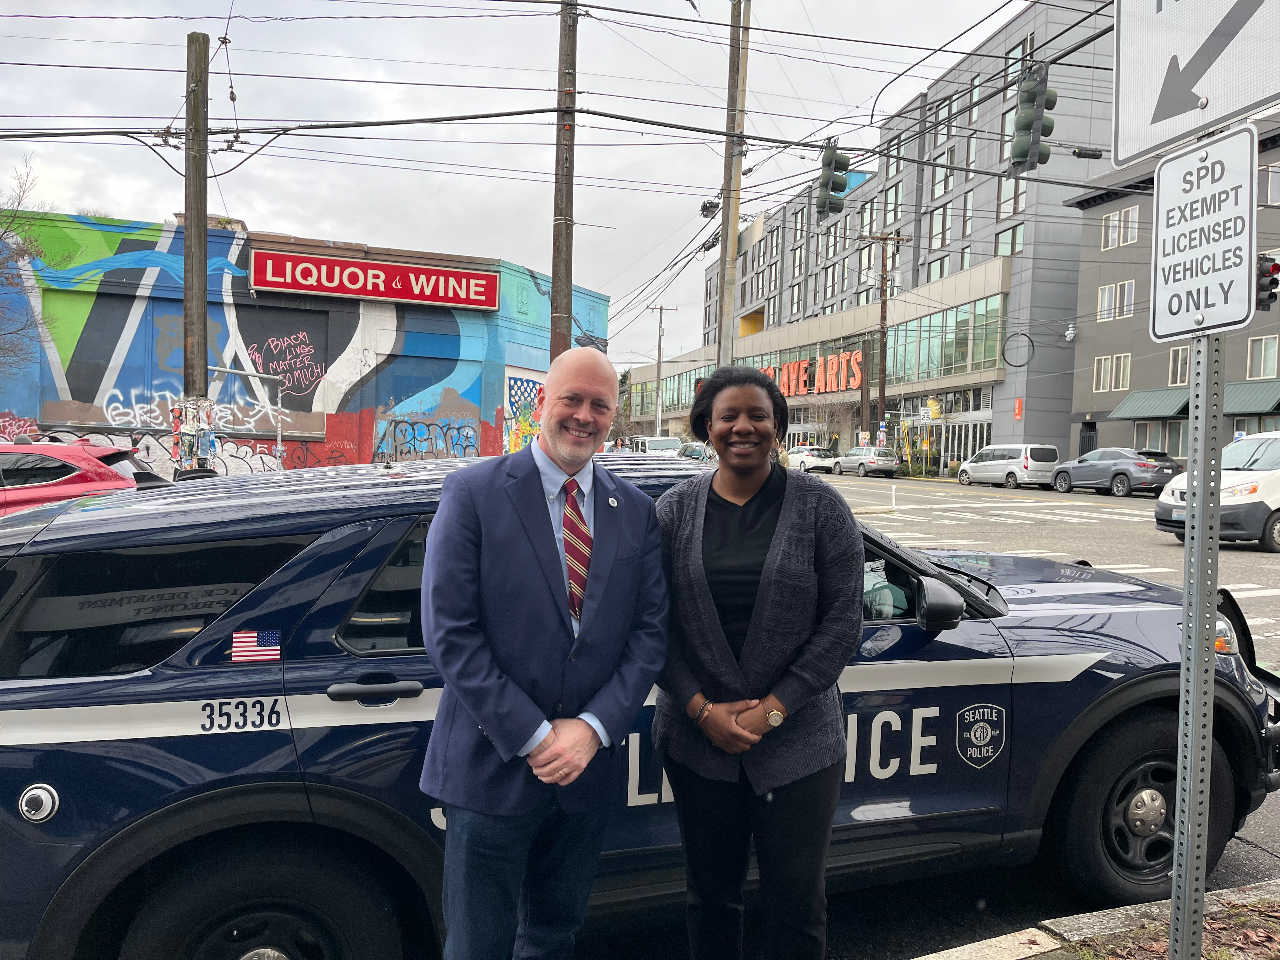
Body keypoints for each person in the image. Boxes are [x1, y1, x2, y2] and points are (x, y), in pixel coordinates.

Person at [420, 347, 669, 960]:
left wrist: (590, 730)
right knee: (478, 945)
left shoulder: (635, 511)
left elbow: (649, 633)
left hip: (585, 772)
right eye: (572, 400)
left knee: (555, 935)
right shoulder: (473, 493)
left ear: (615, 416)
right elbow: (449, 630)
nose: (584, 416)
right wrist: (534, 736)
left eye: (599, 405)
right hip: (492, 767)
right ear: (541, 404)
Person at [651, 365, 864, 960]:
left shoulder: (822, 507)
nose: (743, 427)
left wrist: (773, 710)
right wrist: (700, 711)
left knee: (797, 905)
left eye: (758, 416)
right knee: (711, 898)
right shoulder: (673, 511)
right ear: (706, 427)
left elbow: (843, 622)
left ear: (777, 427)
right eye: (728, 417)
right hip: (698, 744)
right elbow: (653, 626)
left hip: (799, 743)